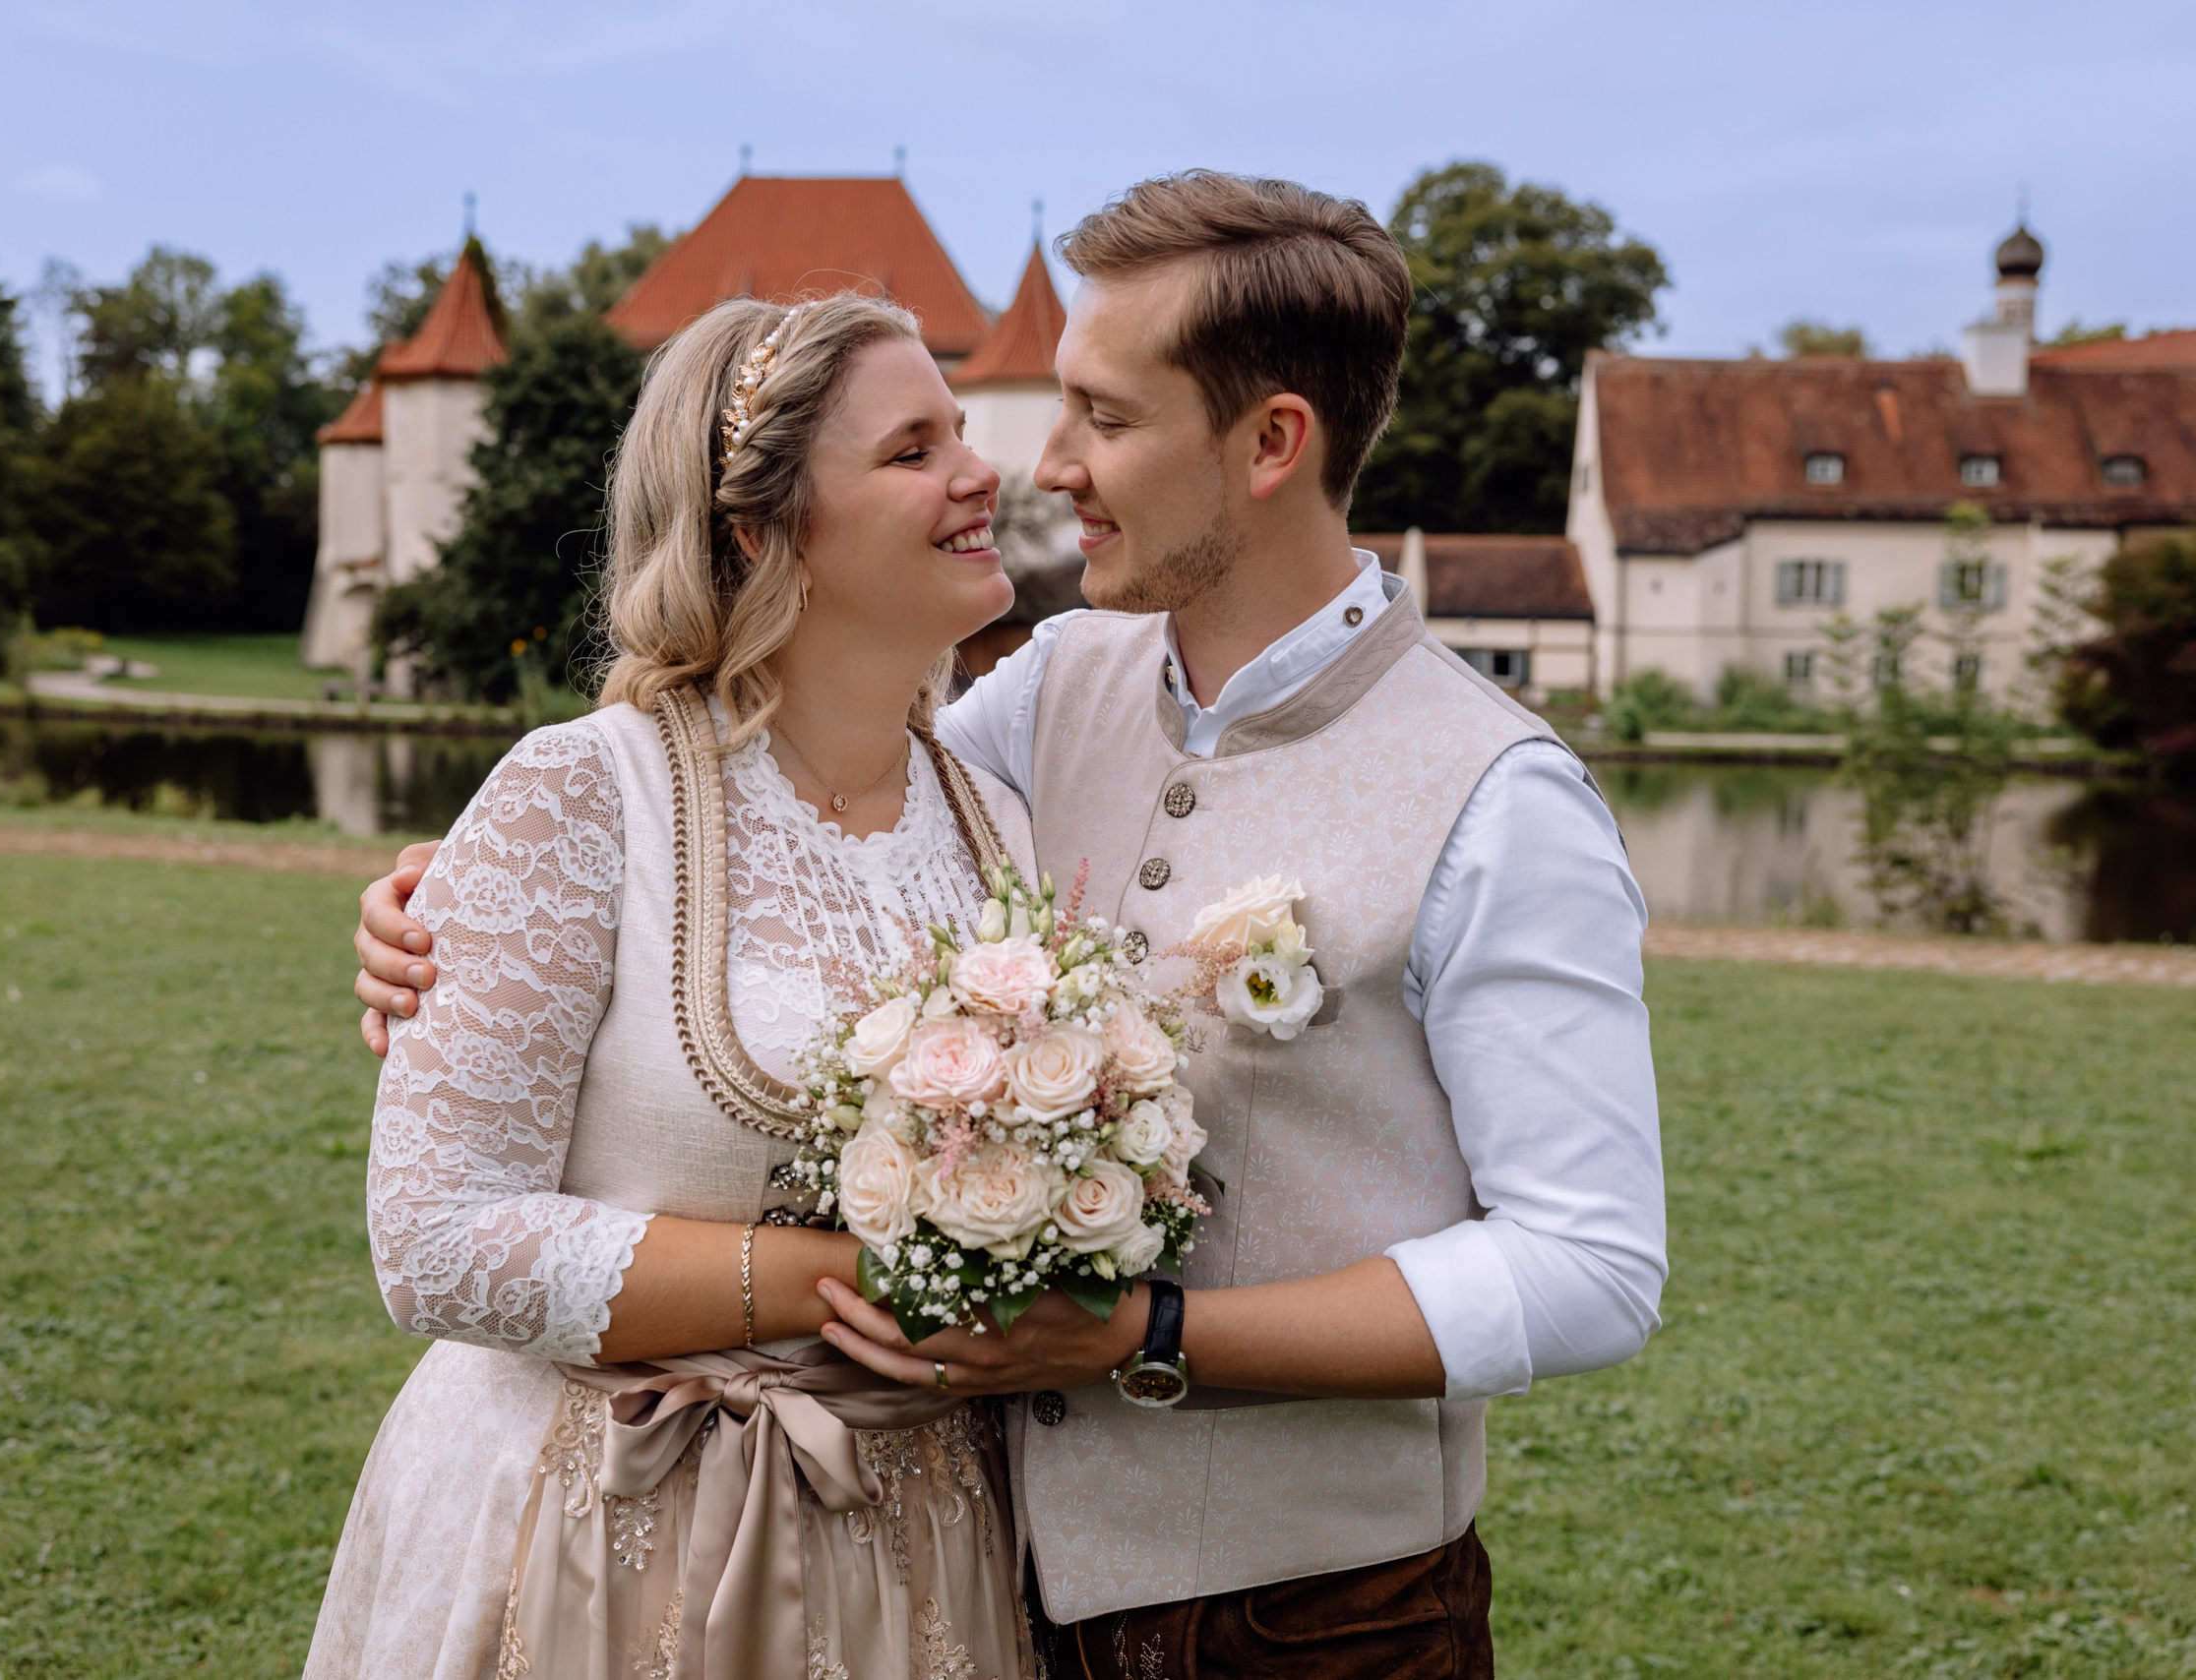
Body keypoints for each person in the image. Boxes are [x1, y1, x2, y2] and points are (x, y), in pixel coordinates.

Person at [358, 172, 1667, 1679]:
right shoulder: (1042, 702)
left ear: (1270, 444)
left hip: (1321, 1617)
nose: (1043, 466)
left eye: (1105, 419)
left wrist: (1156, 1332)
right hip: (987, 1586)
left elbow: (1591, 1268)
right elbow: (786, 806)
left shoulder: (1502, 798)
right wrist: (450, 900)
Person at [308, 291, 1041, 1680]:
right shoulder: (585, 793)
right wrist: (859, 1280)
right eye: (912, 450)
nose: (980, 467)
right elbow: (435, 1241)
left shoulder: (1001, 825)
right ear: (763, 531)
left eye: (961, 431)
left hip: (922, 1551)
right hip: (595, 1528)